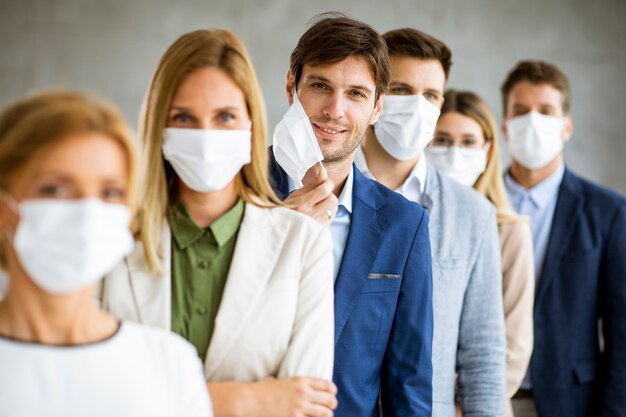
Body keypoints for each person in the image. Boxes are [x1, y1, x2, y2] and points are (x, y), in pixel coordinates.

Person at [100, 29, 336, 417]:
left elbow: (305, 407)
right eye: (183, 118)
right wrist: (246, 401)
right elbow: (87, 393)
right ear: (158, 127)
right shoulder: (111, 238)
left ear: (251, 123)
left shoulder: (302, 242)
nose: (206, 135)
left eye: (225, 116)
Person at [0, 90, 213, 417]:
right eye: (55, 188)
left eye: (110, 192)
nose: (88, 212)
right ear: (4, 206)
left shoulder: (169, 364)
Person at [269, 14, 434, 417]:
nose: (334, 110)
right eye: (320, 85)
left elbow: (408, 383)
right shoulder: (239, 196)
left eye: (356, 94)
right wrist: (277, 231)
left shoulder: (404, 224)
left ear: (378, 107)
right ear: (292, 86)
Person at [354, 28, 506, 416]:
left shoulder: (472, 213)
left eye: (431, 95)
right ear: (374, 96)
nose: (418, 106)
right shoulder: (325, 189)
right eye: (402, 90)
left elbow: (484, 352)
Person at [501, 60, 626, 417]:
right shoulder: (478, 201)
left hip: (571, 402)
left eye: (545, 111)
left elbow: (622, 334)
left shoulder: (608, 212)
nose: (533, 121)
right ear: (506, 125)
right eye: (521, 111)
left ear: (566, 126)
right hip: (485, 398)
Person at [427, 89, 535, 417]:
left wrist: (464, 400)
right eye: (442, 140)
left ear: (487, 151)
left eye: (468, 142)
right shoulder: (413, 217)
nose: (455, 152)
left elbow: (513, 342)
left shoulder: (508, 228)